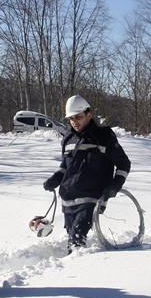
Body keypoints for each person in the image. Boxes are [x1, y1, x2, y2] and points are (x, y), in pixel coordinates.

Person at [43, 95, 131, 252]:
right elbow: (66, 166)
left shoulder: (104, 136)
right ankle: (75, 263)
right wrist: (55, 179)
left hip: (92, 199)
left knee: (77, 239)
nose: (74, 122)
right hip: (68, 199)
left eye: (78, 117)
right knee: (73, 241)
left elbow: (124, 164)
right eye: (71, 118)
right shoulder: (68, 139)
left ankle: (81, 265)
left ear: (89, 115)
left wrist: (115, 185)